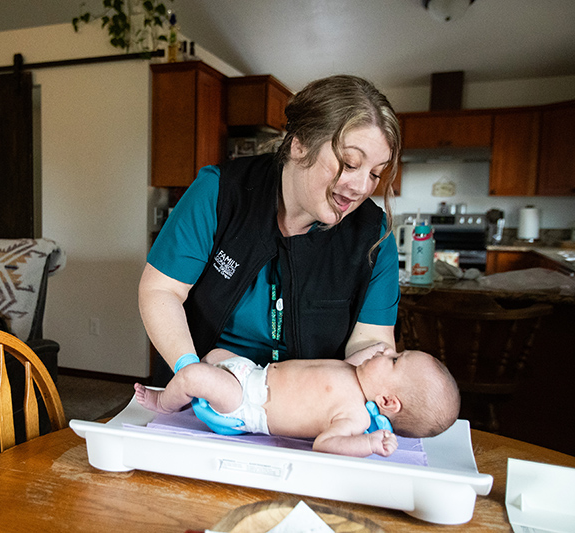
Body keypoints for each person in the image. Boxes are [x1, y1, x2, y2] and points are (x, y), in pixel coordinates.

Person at [139, 74, 402, 395]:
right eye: (349, 163)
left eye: (376, 172)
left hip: (309, 405)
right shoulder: (220, 192)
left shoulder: (375, 235)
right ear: (299, 144)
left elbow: (371, 341)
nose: (362, 187)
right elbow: (162, 290)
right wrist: (190, 373)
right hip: (202, 393)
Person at [134, 344, 460, 458]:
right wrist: (378, 358)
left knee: (194, 376)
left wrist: (369, 444)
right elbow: (371, 352)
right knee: (215, 355)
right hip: (252, 373)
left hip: (247, 405)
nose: (386, 350)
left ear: (388, 400)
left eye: (394, 360)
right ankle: (192, 386)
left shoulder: (354, 416)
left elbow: (326, 444)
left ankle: (164, 402)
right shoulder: (356, 371)